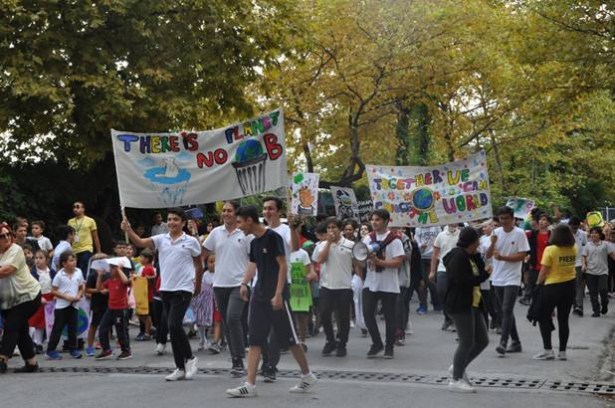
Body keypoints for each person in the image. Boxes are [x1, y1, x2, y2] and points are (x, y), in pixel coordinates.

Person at [225, 206, 317, 398]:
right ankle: (249, 384)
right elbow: (253, 264)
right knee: (255, 339)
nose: (239, 226)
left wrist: (278, 294)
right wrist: (244, 283)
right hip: (258, 296)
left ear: (249, 220)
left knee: (290, 340)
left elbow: (284, 265)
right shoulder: (253, 242)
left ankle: (307, 376)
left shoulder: (273, 237)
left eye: (240, 222)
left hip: (278, 297)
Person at [122, 208, 202, 381]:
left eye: (175, 219)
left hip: (184, 288)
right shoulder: (161, 239)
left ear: (182, 223)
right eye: (170, 219)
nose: (172, 222)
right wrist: (129, 230)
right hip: (166, 288)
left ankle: (190, 358)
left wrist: (198, 285)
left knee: (174, 324)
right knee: (171, 329)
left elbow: (198, 265)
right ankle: (179, 368)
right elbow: (141, 242)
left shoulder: (191, 241)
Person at [202, 201, 253, 377]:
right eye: (223, 211)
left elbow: (253, 259)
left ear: (236, 213)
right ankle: (235, 360)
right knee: (227, 323)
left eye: (229, 210)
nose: (226, 213)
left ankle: (239, 359)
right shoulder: (216, 232)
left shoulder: (245, 233)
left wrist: (247, 282)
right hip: (219, 285)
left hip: (239, 284)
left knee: (232, 319)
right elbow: (203, 253)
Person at [443, 227, 489, 393]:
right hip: (460, 304)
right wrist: (482, 276)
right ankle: (455, 379)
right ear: (472, 241)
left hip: (474, 303)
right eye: (477, 240)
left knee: (482, 340)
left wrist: (476, 255)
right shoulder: (458, 257)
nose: (479, 242)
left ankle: (458, 366)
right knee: (467, 341)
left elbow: (481, 270)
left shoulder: (470, 255)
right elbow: (463, 281)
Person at [312, 217, 360, 357]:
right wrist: (328, 242)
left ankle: (342, 343)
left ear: (340, 229)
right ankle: (330, 340)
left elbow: (358, 262)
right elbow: (320, 260)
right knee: (325, 314)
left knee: (343, 317)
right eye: (329, 228)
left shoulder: (350, 244)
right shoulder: (321, 245)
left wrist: (359, 278)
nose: (331, 230)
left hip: (344, 286)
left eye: (334, 227)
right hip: (326, 285)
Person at [486, 206, 530, 356]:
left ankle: (503, 342)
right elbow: (487, 255)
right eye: (501, 219)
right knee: (506, 311)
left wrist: (503, 258)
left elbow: (522, 255)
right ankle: (516, 342)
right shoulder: (495, 233)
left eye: (506, 218)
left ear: (513, 219)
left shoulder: (520, 234)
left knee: (506, 309)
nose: (503, 221)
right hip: (497, 277)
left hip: (513, 277)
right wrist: (492, 243)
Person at [362, 209, 405, 359]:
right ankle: (376, 343)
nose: (374, 222)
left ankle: (389, 346)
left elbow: (398, 262)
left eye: (378, 220)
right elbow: (360, 256)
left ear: (386, 221)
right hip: (371, 282)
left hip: (388, 284)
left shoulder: (395, 240)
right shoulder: (368, 238)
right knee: (367, 313)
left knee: (389, 316)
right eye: (373, 219)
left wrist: (379, 262)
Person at [0, 222, 42, 373]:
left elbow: (6, 270)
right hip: (9, 301)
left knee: (11, 326)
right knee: (21, 329)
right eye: (1, 236)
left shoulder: (16, 250)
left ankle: (2, 360)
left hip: (28, 296)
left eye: (8, 234)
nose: (6, 238)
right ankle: (31, 363)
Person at [533, 224, 577, 361]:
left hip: (552, 286)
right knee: (564, 320)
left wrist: (537, 284)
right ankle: (562, 352)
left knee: (544, 317)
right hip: (570, 285)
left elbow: (544, 270)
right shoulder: (573, 248)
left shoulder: (550, 250)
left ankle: (548, 350)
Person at [46, 251, 85, 360]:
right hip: (62, 306)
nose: (74, 262)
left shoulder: (78, 272)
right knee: (57, 328)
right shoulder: (59, 275)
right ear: (64, 264)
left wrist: (78, 295)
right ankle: (50, 350)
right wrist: (65, 297)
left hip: (74, 305)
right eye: (71, 260)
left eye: (74, 260)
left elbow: (81, 286)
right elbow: (53, 291)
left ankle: (73, 349)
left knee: (73, 328)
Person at [95, 257, 132, 360]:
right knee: (102, 328)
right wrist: (100, 276)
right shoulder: (110, 280)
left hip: (121, 308)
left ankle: (126, 351)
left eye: (112, 268)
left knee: (121, 331)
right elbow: (99, 288)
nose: (110, 270)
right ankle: (106, 350)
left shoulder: (122, 279)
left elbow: (126, 282)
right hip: (111, 308)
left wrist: (119, 269)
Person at [430, 224, 461, 331]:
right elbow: (435, 254)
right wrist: (432, 271)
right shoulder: (441, 235)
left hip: (457, 270)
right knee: (441, 290)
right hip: (443, 267)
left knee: (455, 295)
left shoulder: (461, 234)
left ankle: (455, 320)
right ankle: (448, 316)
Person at [583, 227, 615, 317]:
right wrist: (584, 265)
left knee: (603, 289)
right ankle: (596, 311)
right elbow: (584, 256)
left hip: (603, 272)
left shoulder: (605, 244)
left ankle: (605, 304)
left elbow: (612, 255)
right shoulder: (588, 245)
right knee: (593, 293)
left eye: (596, 233)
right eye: (592, 233)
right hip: (590, 272)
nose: (593, 234)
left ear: (600, 235)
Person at [520, 214, 551, 305]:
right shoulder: (532, 234)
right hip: (535, 266)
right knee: (535, 290)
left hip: (548, 268)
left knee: (547, 291)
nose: (541, 221)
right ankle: (535, 307)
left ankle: (548, 309)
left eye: (544, 220)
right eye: (540, 220)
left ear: (548, 223)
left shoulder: (552, 235)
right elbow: (520, 234)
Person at [28, 250, 56, 353]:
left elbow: (56, 285)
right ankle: (37, 343)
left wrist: (56, 296)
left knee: (49, 322)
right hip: (39, 299)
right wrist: (39, 298)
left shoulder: (52, 272)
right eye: (36, 258)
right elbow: (30, 287)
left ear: (47, 260)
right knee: (36, 321)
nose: (38, 260)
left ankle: (49, 342)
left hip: (51, 299)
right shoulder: (33, 273)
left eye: (41, 258)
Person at [85, 253, 110, 357]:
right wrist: (99, 290)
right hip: (97, 302)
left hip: (108, 301)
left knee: (106, 325)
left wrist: (107, 290)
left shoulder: (109, 273)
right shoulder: (93, 275)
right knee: (94, 324)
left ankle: (105, 345)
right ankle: (90, 346)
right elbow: (87, 289)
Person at [68, 201, 101, 276]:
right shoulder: (70, 221)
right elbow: (69, 237)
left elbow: (95, 237)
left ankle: (84, 286)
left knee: (84, 270)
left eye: (77, 207)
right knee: (75, 270)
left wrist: (99, 251)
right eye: (74, 207)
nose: (75, 209)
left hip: (86, 248)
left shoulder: (90, 221)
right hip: (74, 250)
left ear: (83, 209)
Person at [192, 254, 216, 351]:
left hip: (214, 300)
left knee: (216, 321)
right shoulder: (205, 274)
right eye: (210, 262)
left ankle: (218, 340)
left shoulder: (219, 274)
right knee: (200, 319)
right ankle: (203, 339)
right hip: (203, 300)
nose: (213, 264)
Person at [415, 225, 442, 313]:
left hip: (433, 257)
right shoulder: (418, 228)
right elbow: (417, 241)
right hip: (422, 258)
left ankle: (437, 303)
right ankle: (423, 305)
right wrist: (420, 245)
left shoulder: (436, 226)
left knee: (431, 281)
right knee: (422, 283)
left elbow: (440, 239)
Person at [569, 216, 588, 316]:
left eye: (575, 227)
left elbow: (585, 248)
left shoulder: (583, 234)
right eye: (572, 227)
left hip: (579, 262)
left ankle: (579, 306)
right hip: (567, 263)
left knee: (578, 285)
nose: (574, 229)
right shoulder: (566, 234)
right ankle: (574, 305)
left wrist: (585, 262)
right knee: (571, 286)